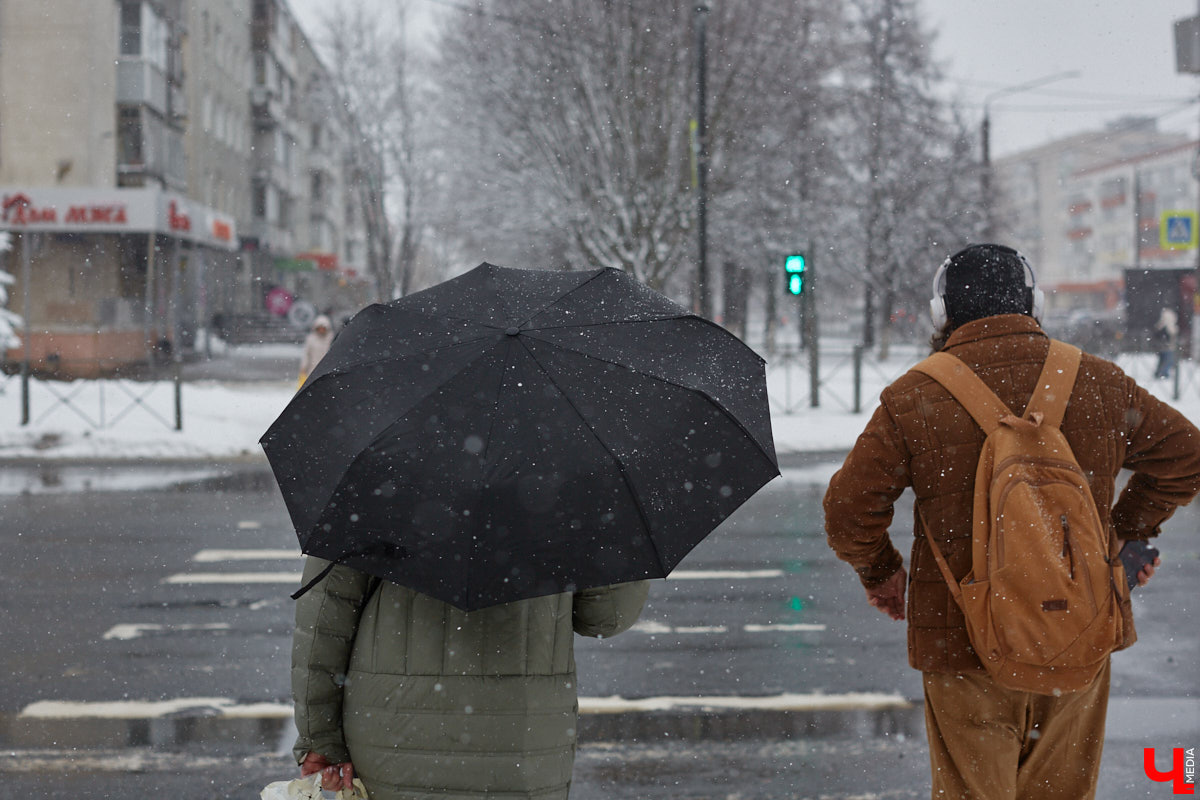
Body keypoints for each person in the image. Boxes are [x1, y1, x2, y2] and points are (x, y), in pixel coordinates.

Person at [822, 243, 1200, 799]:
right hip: (1079, 629)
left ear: (941, 314)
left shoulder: (915, 397)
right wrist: (1123, 535)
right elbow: (1186, 456)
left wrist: (881, 573)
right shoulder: (1099, 382)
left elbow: (848, 512)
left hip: (962, 643)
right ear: (1034, 304)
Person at [292, 557, 649, 799]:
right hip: (524, 742)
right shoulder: (571, 474)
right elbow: (604, 617)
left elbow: (326, 620)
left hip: (396, 735)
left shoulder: (381, 466)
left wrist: (320, 736)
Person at [298, 314, 334, 390]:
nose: (321, 330)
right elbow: (307, 354)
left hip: (327, 369)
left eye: (323, 328)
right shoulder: (311, 339)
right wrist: (304, 366)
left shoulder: (331, 338)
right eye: (320, 328)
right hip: (313, 369)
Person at [1153, 306, 1178, 379]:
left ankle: (1159, 373)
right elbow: (1169, 337)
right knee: (1167, 361)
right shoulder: (1168, 327)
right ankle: (1163, 374)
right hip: (1167, 347)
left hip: (1163, 347)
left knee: (1163, 361)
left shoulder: (1161, 325)